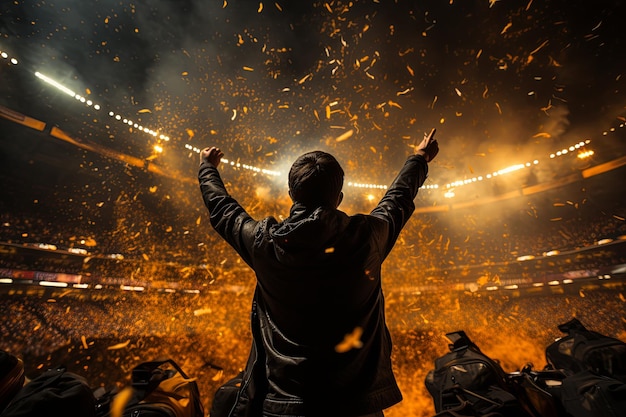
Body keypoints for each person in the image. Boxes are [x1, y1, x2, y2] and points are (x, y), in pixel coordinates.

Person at [198, 128, 439, 417]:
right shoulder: (368, 237)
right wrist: (419, 158)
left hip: (285, 406)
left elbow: (223, 210)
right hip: (357, 407)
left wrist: (207, 169)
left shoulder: (264, 242)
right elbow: (397, 199)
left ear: (291, 194)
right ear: (338, 197)